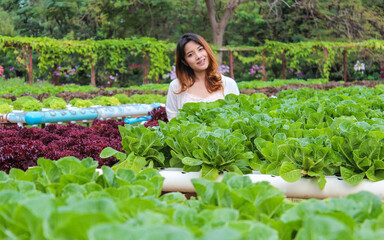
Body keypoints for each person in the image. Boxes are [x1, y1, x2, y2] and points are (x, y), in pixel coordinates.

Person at [166, 33, 240, 120]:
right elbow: (173, 122)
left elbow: (236, 117)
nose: (198, 56)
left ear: (207, 50)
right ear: (184, 62)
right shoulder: (176, 87)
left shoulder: (228, 84)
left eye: (200, 49)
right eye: (190, 55)